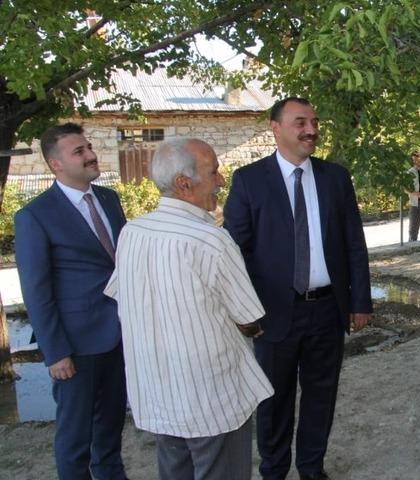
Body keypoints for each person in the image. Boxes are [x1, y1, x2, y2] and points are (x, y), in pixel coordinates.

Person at [104, 138, 274, 480]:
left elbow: (124, 295)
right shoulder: (212, 240)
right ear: (184, 183)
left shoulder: (132, 233)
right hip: (211, 397)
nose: (222, 180)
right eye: (214, 172)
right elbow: (248, 318)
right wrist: (254, 330)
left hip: (159, 390)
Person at [223, 97, 372, 480]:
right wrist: (243, 310)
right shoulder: (250, 180)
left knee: (321, 396)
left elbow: (354, 244)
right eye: (300, 122)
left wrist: (360, 301)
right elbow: (234, 251)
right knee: (274, 401)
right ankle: (273, 472)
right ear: (275, 128)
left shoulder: (335, 178)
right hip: (273, 313)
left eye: (314, 122)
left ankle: (311, 468)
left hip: (327, 309)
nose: (311, 130)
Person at [15, 123, 128, 479]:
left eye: (89, 147)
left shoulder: (109, 199)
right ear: (56, 164)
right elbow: (36, 290)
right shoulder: (35, 215)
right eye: (79, 151)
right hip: (75, 346)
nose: (91, 155)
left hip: (120, 336)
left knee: (110, 431)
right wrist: (55, 352)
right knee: (75, 439)